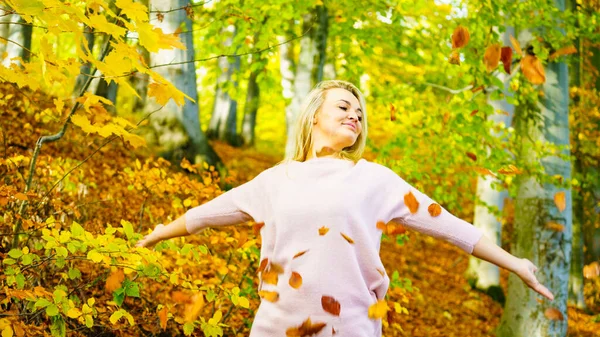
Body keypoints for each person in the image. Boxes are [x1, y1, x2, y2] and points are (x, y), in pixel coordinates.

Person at [136, 80, 554, 337]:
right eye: (343, 107)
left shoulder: (375, 180)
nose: (355, 115)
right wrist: (160, 231)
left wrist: (514, 262)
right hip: (275, 329)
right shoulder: (274, 180)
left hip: (351, 329)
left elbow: (448, 226)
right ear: (314, 114)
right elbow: (207, 214)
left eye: (359, 113)